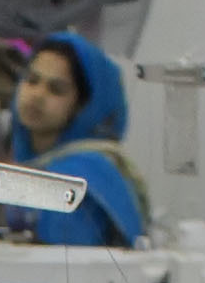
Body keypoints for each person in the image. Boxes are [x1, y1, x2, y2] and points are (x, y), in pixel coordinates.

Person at [11, 28, 147, 244]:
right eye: (32, 80)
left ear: (84, 106)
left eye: (56, 89)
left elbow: (60, 271)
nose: (37, 95)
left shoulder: (79, 179)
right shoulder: (29, 164)